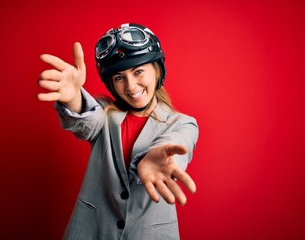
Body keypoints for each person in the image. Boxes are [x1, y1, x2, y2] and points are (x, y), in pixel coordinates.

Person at [37, 23, 199, 240]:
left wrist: (158, 157)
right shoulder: (104, 113)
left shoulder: (182, 123)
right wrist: (73, 97)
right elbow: (87, 120)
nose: (131, 86)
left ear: (157, 70)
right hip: (90, 232)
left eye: (138, 71)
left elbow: (179, 142)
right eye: (119, 77)